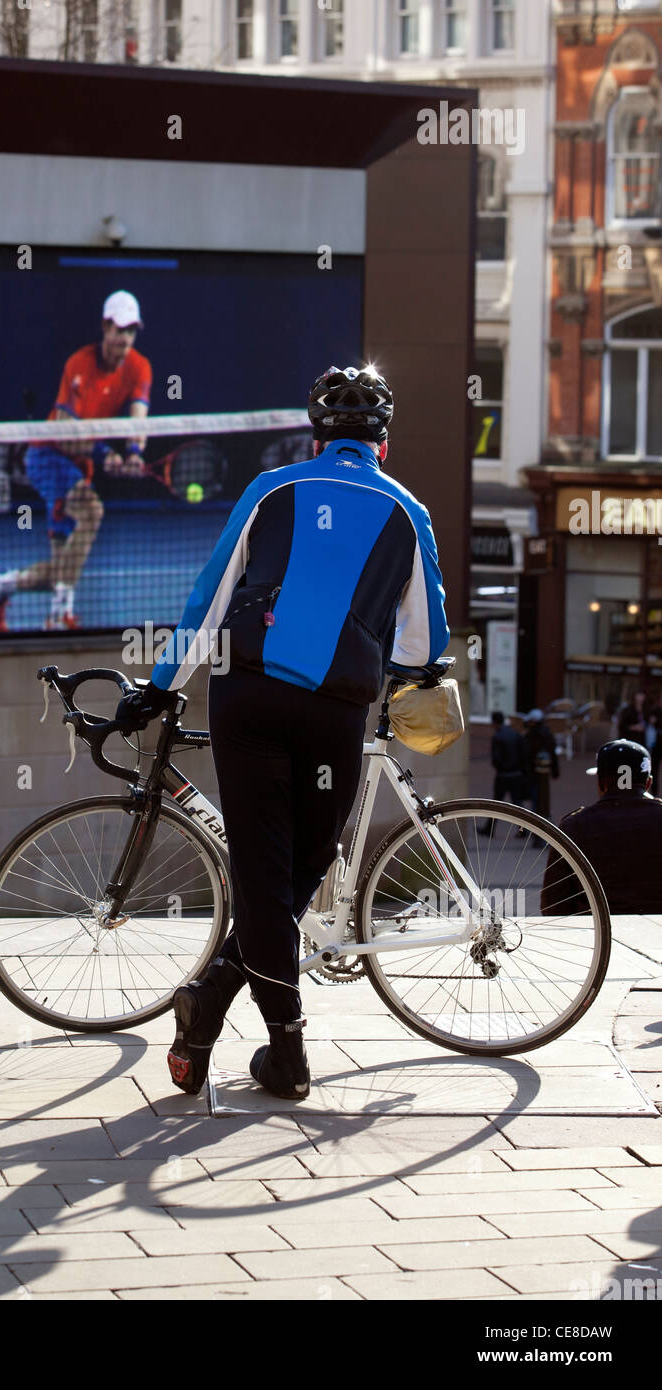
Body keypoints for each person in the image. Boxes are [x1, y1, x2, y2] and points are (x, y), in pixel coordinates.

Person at [114, 365, 449, 1101]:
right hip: (335, 710)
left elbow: (210, 600)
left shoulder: (274, 489)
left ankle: (238, 1026)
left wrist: (159, 688)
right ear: (383, 445)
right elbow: (424, 649)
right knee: (300, 869)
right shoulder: (407, 511)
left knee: (267, 879)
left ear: (317, 435)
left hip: (250, 699)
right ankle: (272, 1041)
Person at [0, 290, 151, 632]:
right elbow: (63, 430)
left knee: (62, 568)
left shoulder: (140, 367)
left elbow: (140, 421)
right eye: (119, 329)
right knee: (93, 511)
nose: (124, 338)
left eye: (131, 331)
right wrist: (105, 455)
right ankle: (58, 617)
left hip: (78, 465)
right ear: (104, 326)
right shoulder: (79, 364)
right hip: (47, 454)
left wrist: (133, 453)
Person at [541, 740, 662, 915]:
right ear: (648, 783)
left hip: (598, 935)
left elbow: (553, 905)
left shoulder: (574, 825)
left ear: (601, 783)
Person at [478, 710, 524, 836]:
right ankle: (523, 830)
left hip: (503, 775)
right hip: (516, 774)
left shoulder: (498, 737)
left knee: (497, 805)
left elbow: (496, 759)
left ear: (494, 722)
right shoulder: (515, 733)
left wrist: (500, 766)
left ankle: (490, 829)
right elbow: (523, 753)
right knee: (518, 804)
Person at [520, 708, 559, 817]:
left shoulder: (531, 735)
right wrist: (555, 771)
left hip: (533, 771)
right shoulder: (547, 733)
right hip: (539, 771)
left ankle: (537, 819)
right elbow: (553, 753)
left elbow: (526, 752)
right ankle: (542, 816)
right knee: (539, 796)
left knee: (536, 797)